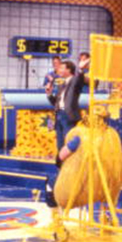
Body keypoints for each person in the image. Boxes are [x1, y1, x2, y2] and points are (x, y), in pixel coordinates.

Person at [44, 58, 90, 207]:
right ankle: (62, 175)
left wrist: (82, 69)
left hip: (70, 118)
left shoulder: (74, 81)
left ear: (69, 70)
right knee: (60, 148)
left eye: (62, 68)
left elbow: (79, 79)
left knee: (69, 146)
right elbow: (57, 104)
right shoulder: (62, 84)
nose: (59, 70)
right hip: (60, 117)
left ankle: (73, 174)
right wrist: (50, 95)